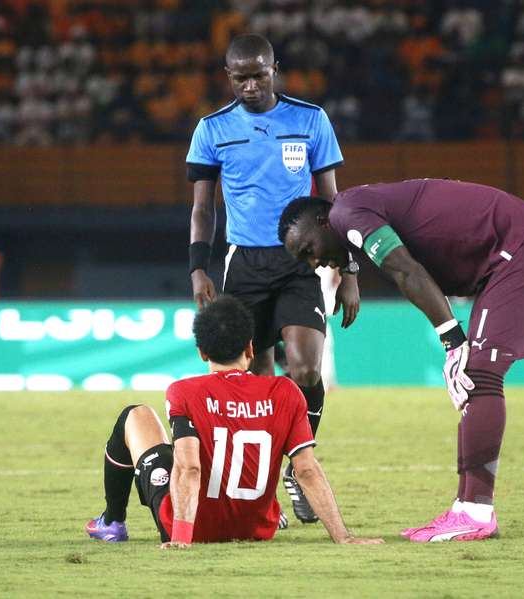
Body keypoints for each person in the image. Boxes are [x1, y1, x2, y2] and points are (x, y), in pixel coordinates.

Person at [277, 179, 524, 543]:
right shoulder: (354, 212)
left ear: (324, 221)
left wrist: (451, 340)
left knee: (479, 375)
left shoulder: (346, 212)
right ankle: (466, 509)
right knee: (474, 376)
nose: (314, 261)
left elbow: (405, 269)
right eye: (304, 260)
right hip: (512, 256)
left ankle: (476, 511)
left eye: (309, 248)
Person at [185, 33, 359, 524]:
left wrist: (349, 269)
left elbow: (333, 205)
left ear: (274, 69)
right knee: (255, 381)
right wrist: (199, 267)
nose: (251, 85)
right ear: (229, 78)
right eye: (241, 78)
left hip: (300, 264)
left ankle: (297, 466)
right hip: (243, 266)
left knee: (306, 370)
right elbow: (202, 208)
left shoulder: (310, 119)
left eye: (259, 74)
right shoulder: (211, 129)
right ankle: (264, 493)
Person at [86, 296, 382, 547]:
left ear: (202, 352)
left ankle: (113, 522)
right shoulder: (285, 391)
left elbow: (189, 467)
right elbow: (305, 469)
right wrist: (344, 537)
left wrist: (181, 538)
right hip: (255, 528)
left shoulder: (184, 391)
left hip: (193, 527)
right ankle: (274, 515)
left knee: (135, 415)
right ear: (251, 349)